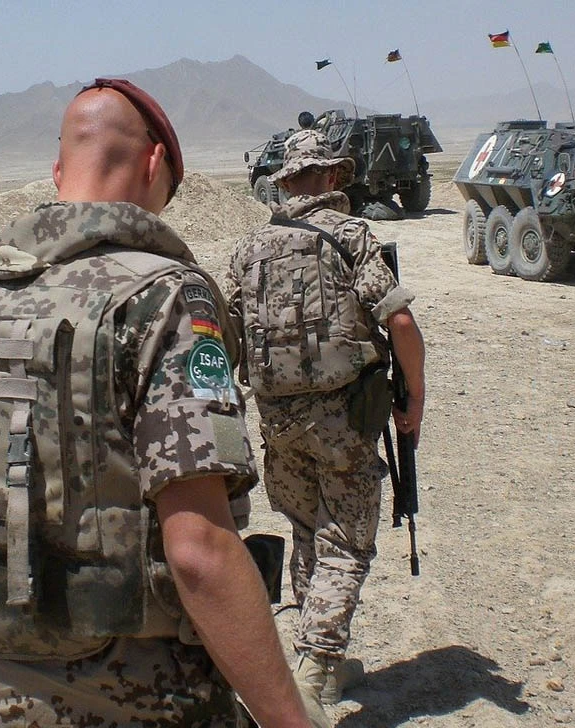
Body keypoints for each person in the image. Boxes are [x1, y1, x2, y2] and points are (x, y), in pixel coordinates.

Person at [0, 79, 327, 728]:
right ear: (154, 164)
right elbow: (199, 551)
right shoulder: (162, 298)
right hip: (138, 695)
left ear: (58, 170)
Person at [225, 129, 426, 706]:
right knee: (347, 545)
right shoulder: (351, 235)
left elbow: (227, 336)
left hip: (277, 423)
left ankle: (315, 666)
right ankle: (313, 673)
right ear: (332, 176)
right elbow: (400, 322)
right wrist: (415, 398)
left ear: (287, 182)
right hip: (342, 420)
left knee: (307, 533)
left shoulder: (247, 249)